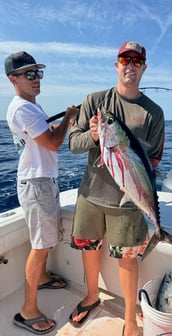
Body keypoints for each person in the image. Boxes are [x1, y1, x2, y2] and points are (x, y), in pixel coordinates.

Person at [68, 41, 165, 336]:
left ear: (144, 68)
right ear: (116, 64)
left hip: (130, 198)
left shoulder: (153, 113)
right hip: (91, 195)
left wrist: (137, 185)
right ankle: (91, 295)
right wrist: (95, 135)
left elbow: (155, 158)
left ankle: (131, 320)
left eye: (137, 62)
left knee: (128, 257)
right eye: (126, 59)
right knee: (88, 248)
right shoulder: (96, 102)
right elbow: (73, 144)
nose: (131, 66)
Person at [5, 51, 79, 335]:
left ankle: (44, 277)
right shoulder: (22, 108)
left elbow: (44, 139)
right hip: (37, 184)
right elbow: (52, 144)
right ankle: (27, 311)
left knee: (45, 241)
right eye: (29, 74)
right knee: (40, 246)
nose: (36, 79)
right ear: (13, 79)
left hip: (43, 181)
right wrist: (69, 117)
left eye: (38, 73)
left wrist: (65, 122)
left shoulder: (31, 107)